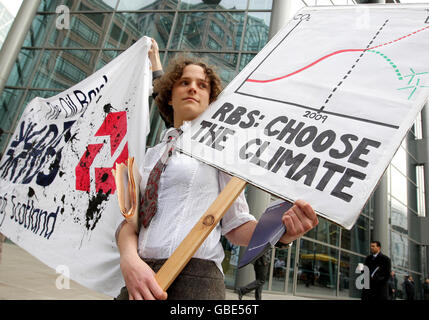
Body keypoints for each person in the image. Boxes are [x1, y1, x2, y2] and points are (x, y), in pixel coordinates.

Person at [115, 39, 319, 300]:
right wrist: (129, 261)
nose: (193, 88)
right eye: (184, 82)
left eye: (203, 86)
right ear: (168, 95)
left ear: (211, 102)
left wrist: (282, 232)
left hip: (197, 281)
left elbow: (235, 226)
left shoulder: (221, 151)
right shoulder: (149, 156)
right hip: (139, 279)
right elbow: (129, 222)